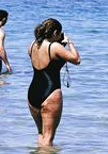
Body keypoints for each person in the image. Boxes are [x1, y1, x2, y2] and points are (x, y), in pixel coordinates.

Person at [27, 18, 81, 146]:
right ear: (55, 32)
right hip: (50, 93)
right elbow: (76, 59)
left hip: (33, 93)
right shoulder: (55, 47)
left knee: (41, 134)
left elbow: (48, 60)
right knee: (49, 137)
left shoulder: (33, 45)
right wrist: (69, 43)